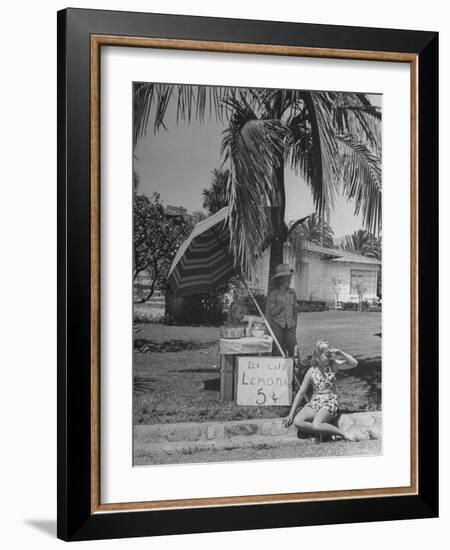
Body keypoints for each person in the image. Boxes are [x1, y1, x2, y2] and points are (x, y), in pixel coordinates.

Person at [282, 339, 358, 441]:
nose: (330, 356)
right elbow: (301, 393)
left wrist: (341, 353)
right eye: (327, 354)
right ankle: (324, 432)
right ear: (318, 356)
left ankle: (343, 434)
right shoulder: (312, 371)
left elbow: (354, 363)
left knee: (317, 424)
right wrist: (291, 414)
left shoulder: (333, 365)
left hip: (329, 401)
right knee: (297, 421)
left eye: (330, 353)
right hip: (315, 402)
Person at [266, 263, 298, 357]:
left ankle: (294, 369)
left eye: (289, 277)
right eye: (286, 278)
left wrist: (295, 325)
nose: (289, 280)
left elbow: (295, 311)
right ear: (280, 280)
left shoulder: (292, 293)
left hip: (290, 326)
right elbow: (271, 313)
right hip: (277, 326)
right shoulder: (274, 294)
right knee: (277, 350)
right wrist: (279, 307)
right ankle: (279, 369)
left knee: (294, 350)